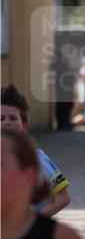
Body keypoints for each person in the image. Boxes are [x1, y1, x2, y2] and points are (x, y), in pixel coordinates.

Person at [1, 84, 71, 217]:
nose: (6, 123)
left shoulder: (36, 159)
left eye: (13, 118)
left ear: (24, 125)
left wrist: (32, 221)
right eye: (1, 118)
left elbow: (62, 198)